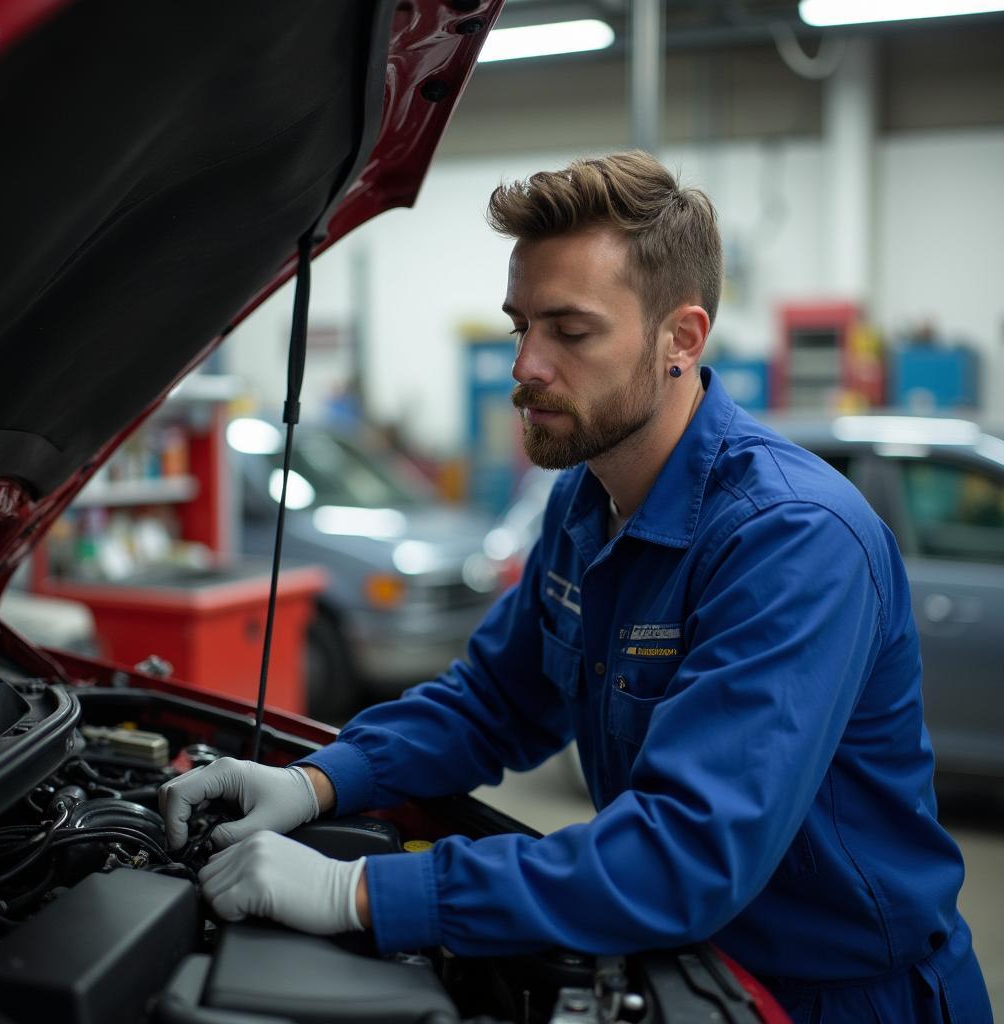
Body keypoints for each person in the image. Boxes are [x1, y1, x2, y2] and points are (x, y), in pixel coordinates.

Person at [159, 152, 992, 1023]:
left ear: (682, 337)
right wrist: (316, 782)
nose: (527, 365)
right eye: (520, 324)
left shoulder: (790, 541)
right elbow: (493, 700)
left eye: (571, 330)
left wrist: (360, 892)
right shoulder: (584, 499)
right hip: (685, 967)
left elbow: (685, 856)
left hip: (841, 998)